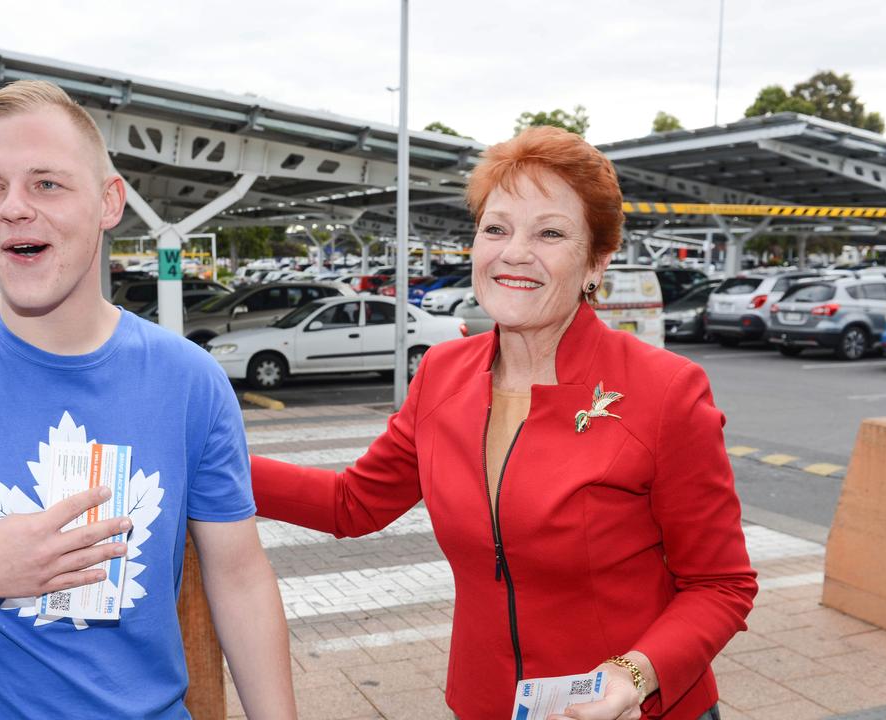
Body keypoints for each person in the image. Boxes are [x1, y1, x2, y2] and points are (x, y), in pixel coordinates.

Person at [0, 80, 296, 719]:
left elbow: (238, 579)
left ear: (108, 201)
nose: (13, 207)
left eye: (46, 182)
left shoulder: (191, 381)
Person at [251, 126, 756, 720]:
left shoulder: (665, 390)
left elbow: (721, 585)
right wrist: (207, 457)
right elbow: (351, 503)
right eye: (496, 228)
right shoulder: (441, 372)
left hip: (631, 709)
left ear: (596, 263)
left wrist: (634, 676)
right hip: (485, 704)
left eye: (550, 233)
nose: (515, 252)